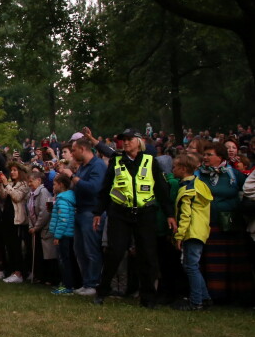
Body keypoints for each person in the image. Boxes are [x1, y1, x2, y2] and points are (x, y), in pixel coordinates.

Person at [93, 128, 176, 308]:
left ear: (139, 141)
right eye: (124, 140)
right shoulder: (115, 161)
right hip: (120, 212)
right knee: (115, 252)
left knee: (147, 253)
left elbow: (161, 189)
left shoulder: (150, 161)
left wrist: (169, 214)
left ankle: (148, 297)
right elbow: (106, 188)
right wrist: (98, 212)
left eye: (130, 139)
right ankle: (102, 290)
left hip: (145, 212)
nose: (126, 142)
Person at [197, 142, 253, 305]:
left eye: (209, 155)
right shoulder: (199, 174)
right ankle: (214, 295)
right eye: (204, 155)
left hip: (231, 225)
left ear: (220, 157)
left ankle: (237, 296)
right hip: (208, 224)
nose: (205, 158)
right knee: (211, 261)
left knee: (233, 262)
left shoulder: (234, 174)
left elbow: (247, 192)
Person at [58, 137, 107, 296]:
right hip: (80, 211)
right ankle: (86, 282)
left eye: (73, 150)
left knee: (91, 249)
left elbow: (94, 188)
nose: (72, 153)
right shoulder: (83, 167)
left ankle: (93, 283)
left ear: (83, 149)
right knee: (79, 250)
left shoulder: (97, 165)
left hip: (92, 212)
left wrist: (72, 176)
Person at [172, 153, 213, 310]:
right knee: (193, 265)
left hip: (191, 231)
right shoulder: (199, 184)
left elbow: (185, 215)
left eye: (175, 167)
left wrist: (179, 235)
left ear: (183, 169)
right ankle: (205, 297)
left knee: (190, 266)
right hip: (201, 230)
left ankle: (196, 302)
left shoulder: (187, 189)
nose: (172, 170)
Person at [0, 162, 30, 283]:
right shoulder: (11, 183)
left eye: (15, 170)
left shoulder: (24, 184)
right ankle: (12, 271)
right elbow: (4, 196)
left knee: (17, 247)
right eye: (11, 170)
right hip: (7, 218)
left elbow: (16, 197)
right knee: (9, 246)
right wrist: (0, 186)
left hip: (18, 219)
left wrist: (6, 184)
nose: (12, 172)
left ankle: (19, 272)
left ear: (20, 172)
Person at [49, 174, 76, 295]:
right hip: (66, 234)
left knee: (64, 261)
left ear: (61, 185)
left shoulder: (63, 200)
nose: (53, 186)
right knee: (65, 260)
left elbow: (63, 219)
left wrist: (57, 236)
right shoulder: (64, 198)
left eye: (54, 184)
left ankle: (68, 285)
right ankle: (66, 283)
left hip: (64, 235)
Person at [27, 170, 56, 285]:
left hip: (44, 229)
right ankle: (40, 276)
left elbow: (44, 212)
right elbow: (30, 210)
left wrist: (36, 227)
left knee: (48, 255)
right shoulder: (32, 193)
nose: (29, 184)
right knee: (38, 254)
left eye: (31, 181)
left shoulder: (43, 192)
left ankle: (49, 278)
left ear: (38, 180)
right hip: (35, 228)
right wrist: (31, 225)